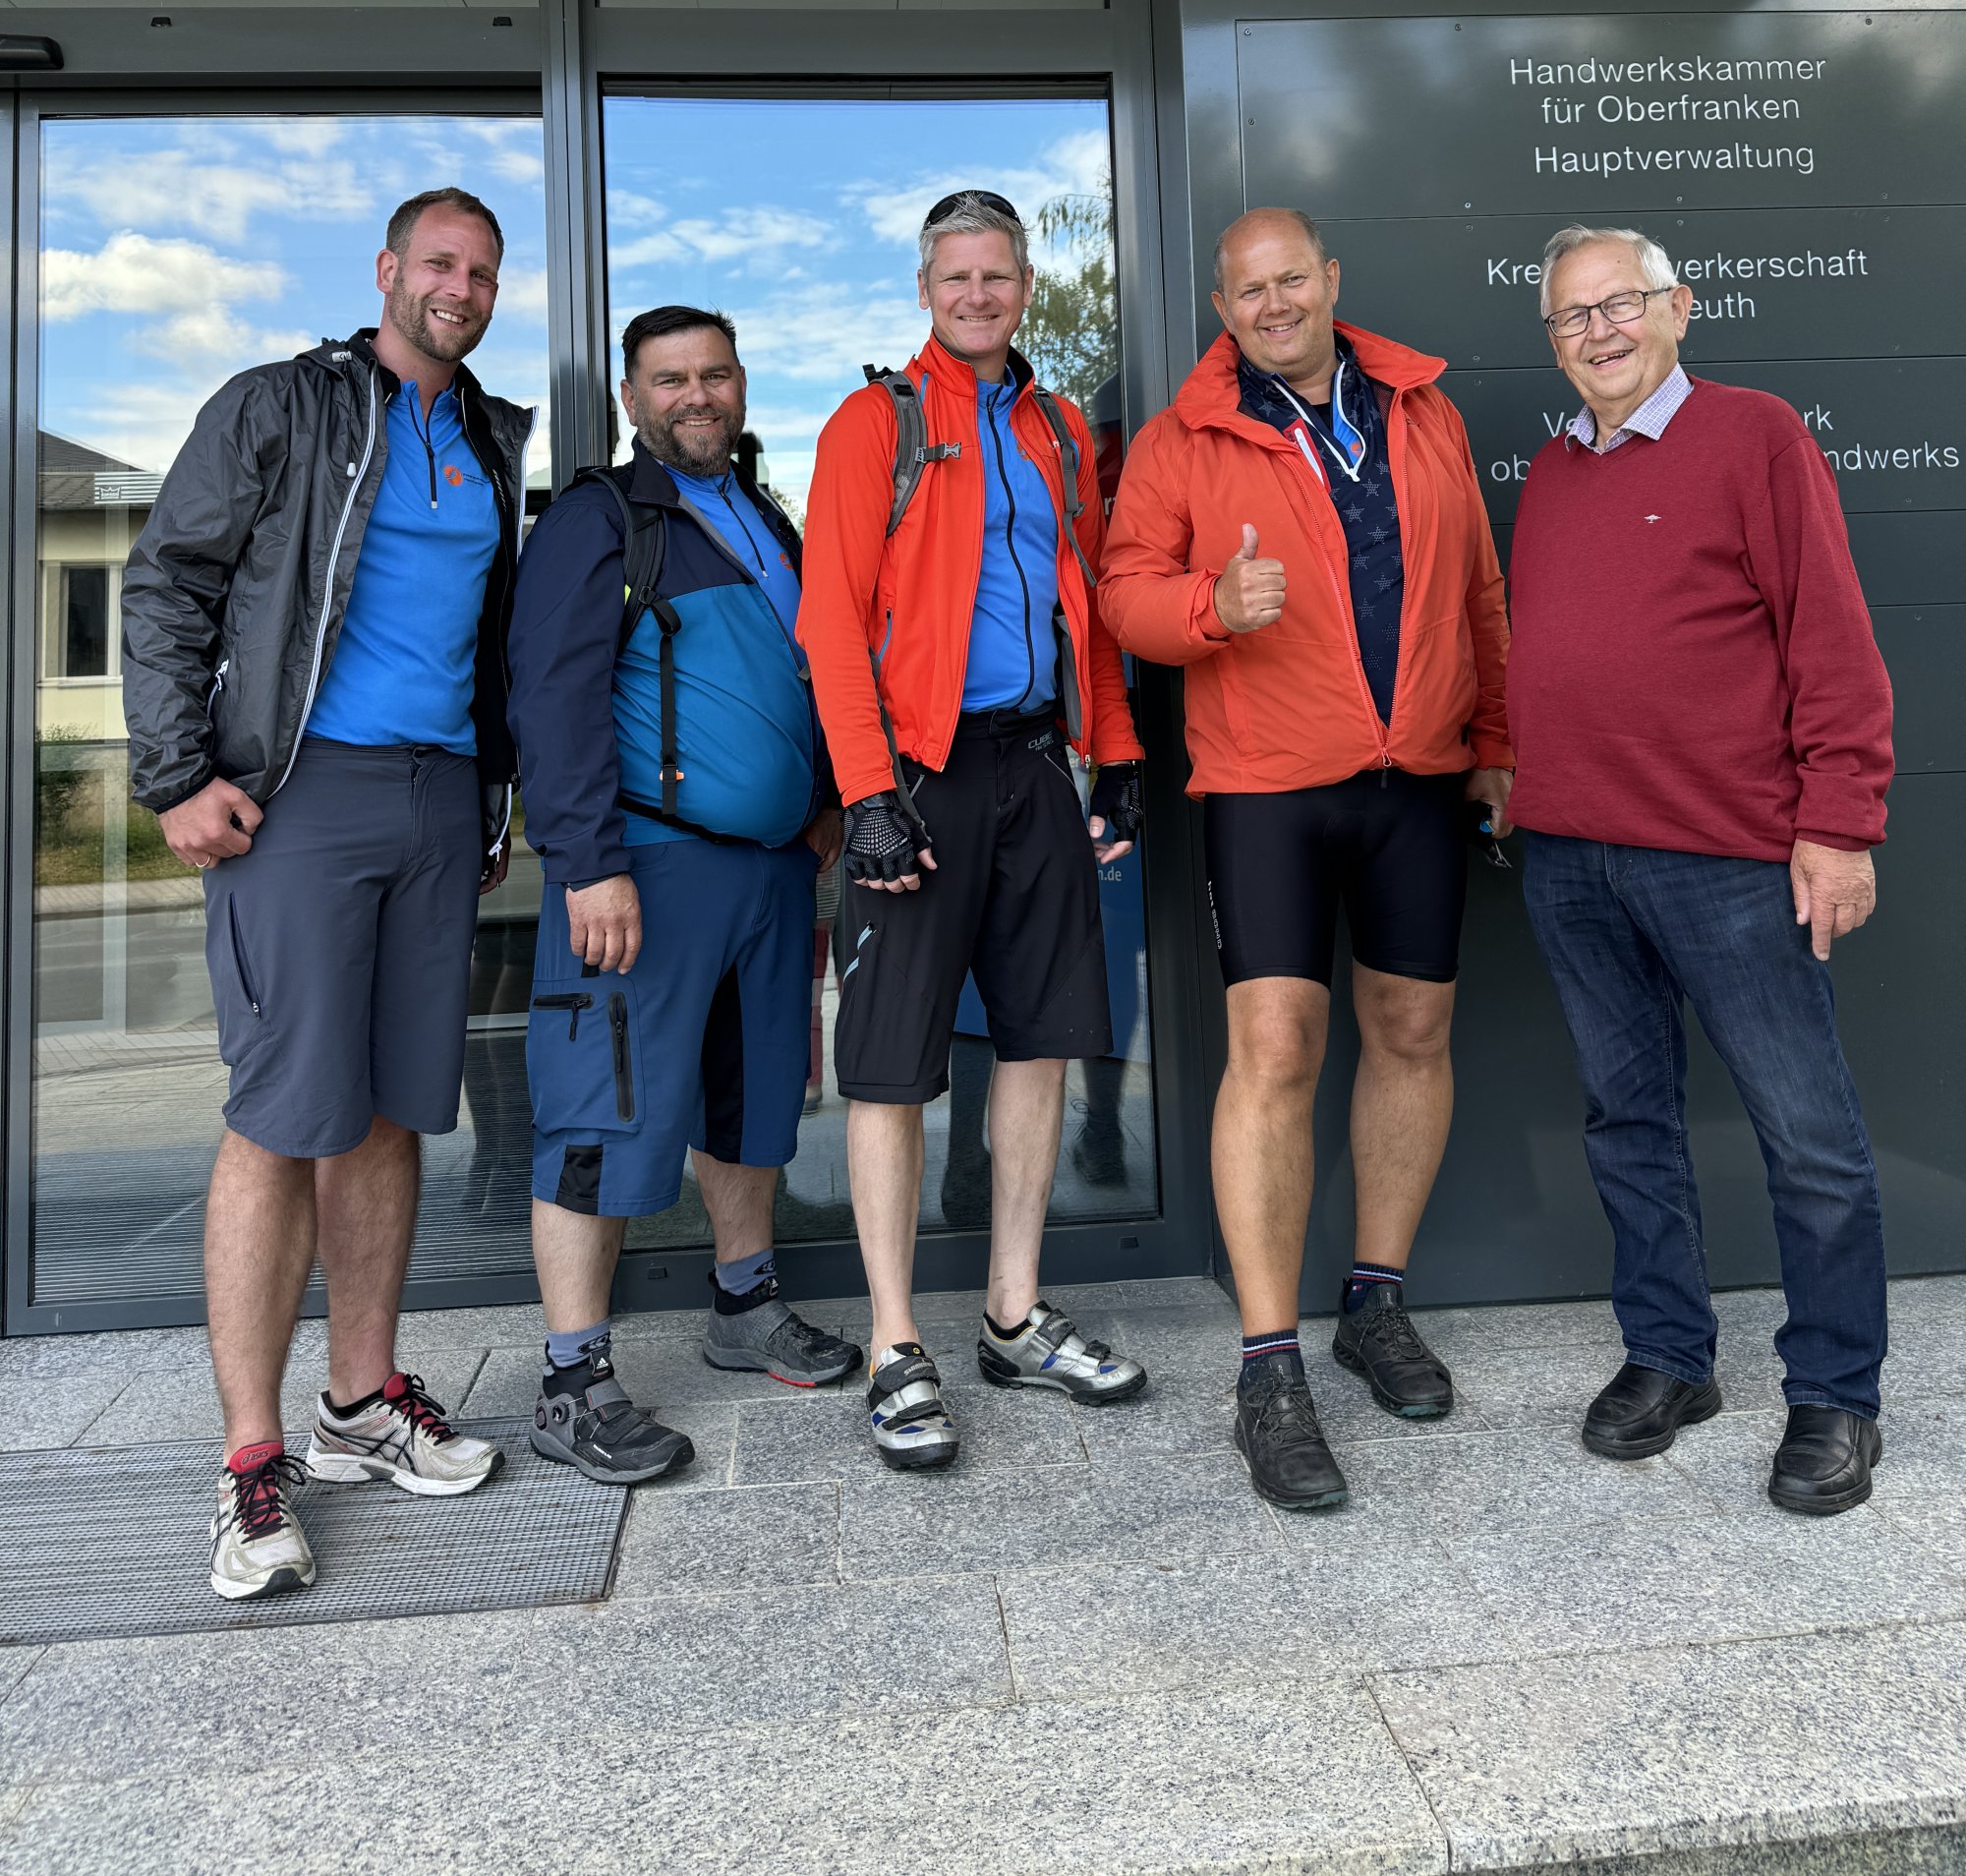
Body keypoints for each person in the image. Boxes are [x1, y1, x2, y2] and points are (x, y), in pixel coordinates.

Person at [122, 189, 529, 1600]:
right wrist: (175, 774)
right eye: (440, 262)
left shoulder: (488, 437)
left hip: (437, 798)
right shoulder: (282, 406)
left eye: (483, 271)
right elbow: (168, 581)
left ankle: (359, 1403)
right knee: (279, 1116)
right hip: (301, 793)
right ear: (386, 270)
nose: (460, 287)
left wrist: (489, 794)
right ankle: (249, 1463)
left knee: (391, 1110)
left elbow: (489, 638)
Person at [1100, 206, 1511, 1512]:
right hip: (1268, 784)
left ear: (1330, 279)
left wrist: (1496, 742)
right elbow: (1121, 594)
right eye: (1247, 290)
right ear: (1222, 309)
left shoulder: (1424, 412)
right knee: (1275, 1048)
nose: (1272, 303)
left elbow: (1480, 591)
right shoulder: (1181, 438)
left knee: (1412, 1029)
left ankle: (1373, 1305)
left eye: (1291, 279)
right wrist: (1210, 607)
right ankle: (1267, 1367)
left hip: (1418, 776)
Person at [1508, 225, 1893, 1515]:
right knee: (1627, 1122)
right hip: (1572, 855)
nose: (1598, 332)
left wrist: (1839, 821)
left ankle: (1835, 1393)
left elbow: (1830, 634)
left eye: (1619, 304)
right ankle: (1670, 1356)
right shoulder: (1554, 470)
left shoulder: (1755, 435)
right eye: (1571, 317)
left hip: (1727, 857)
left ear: (1677, 307)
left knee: (1807, 1134)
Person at [798, 190, 1150, 1468]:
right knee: (890, 1063)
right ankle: (896, 1341)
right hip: (915, 774)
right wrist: (866, 794)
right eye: (955, 275)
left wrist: (1117, 753)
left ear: (1023, 286)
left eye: (996, 273)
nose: (977, 293)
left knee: (1040, 1041)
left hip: (1034, 764)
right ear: (924, 288)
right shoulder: (874, 424)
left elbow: (1087, 602)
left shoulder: (1059, 429)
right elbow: (829, 622)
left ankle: (1011, 1312)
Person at [506, 306, 860, 1485]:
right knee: (598, 1112)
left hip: (769, 873)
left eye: (713, 374)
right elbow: (549, 697)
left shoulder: (765, 517)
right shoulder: (598, 519)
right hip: (642, 870)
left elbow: (810, 671)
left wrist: (820, 801)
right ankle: (570, 1383)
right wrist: (585, 862)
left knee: (752, 1099)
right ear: (630, 398)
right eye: (669, 380)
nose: (695, 396)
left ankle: (744, 1307)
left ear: (741, 384)